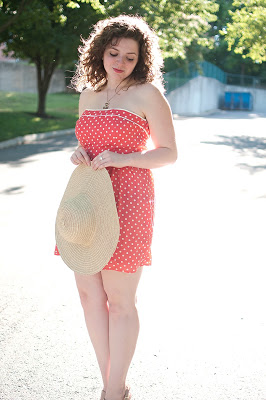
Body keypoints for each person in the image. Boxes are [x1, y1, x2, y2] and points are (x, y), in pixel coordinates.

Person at [59, 14, 177, 400]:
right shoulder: (88, 95)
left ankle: (114, 391)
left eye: (130, 56)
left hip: (130, 198)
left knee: (121, 301)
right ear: (101, 51)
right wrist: (78, 153)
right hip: (88, 201)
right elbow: (87, 141)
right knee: (89, 296)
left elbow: (168, 153)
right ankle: (111, 382)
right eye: (114, 53)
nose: (120, 62)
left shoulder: (147, 94)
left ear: (141, 59)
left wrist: (125, 159)